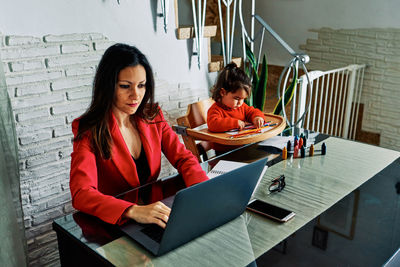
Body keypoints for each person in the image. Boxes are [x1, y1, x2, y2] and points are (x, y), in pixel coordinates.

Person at [70, 43, 209, 228]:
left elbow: (183, 158)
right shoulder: (89, 129)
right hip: (120, 223)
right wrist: (132, 210)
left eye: (141, 85)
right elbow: (82, 193)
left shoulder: (152, 116)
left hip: (159, 214)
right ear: (108, 86)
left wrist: (204, 190)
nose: (136, 95)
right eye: (125, 86)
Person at [207, 62, 266, 151]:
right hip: (224, 153)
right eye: (237, 98)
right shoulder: (215, 110)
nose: (240, 103)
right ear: (223, 92)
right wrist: (235, 123)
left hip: (243, 148)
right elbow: (213, 124)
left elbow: (252, 111)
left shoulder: (241, 107)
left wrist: (257, 117)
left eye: (243, 99)